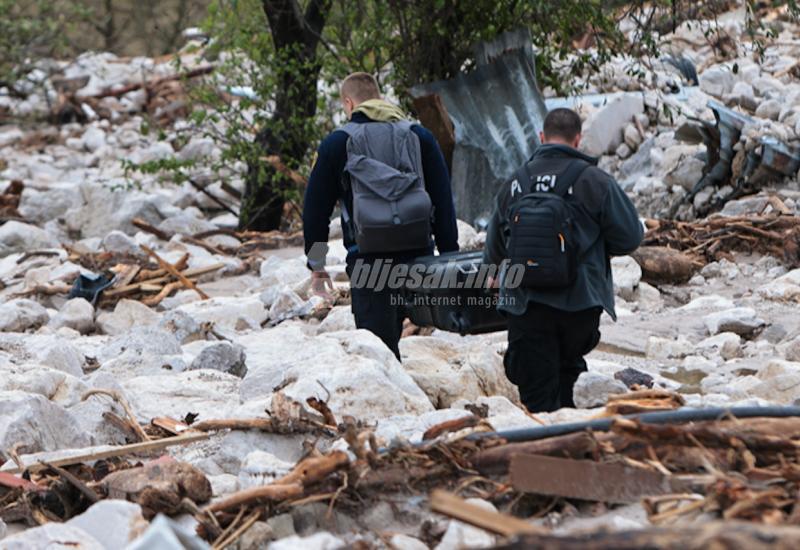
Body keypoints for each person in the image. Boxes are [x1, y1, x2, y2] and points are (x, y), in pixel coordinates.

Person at [483, 108, 643, 413]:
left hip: (526, 304)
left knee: (537, 394)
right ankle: (570, 444)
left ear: (542, 138)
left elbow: (493, 250)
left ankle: (539, 449)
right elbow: (631, 237)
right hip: (579, 304)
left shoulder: (515, 183)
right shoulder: (595, 181)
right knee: (571, 378)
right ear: (578, 139)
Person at [303, 72, 459, 359]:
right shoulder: (419, 136)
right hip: (420, 259)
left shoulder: (337, 144)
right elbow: (443, 201)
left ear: (349, 103)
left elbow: (315, 213)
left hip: (368, 265)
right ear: (379, 97)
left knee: (380, 358)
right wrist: (449, 256)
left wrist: (317, 264)